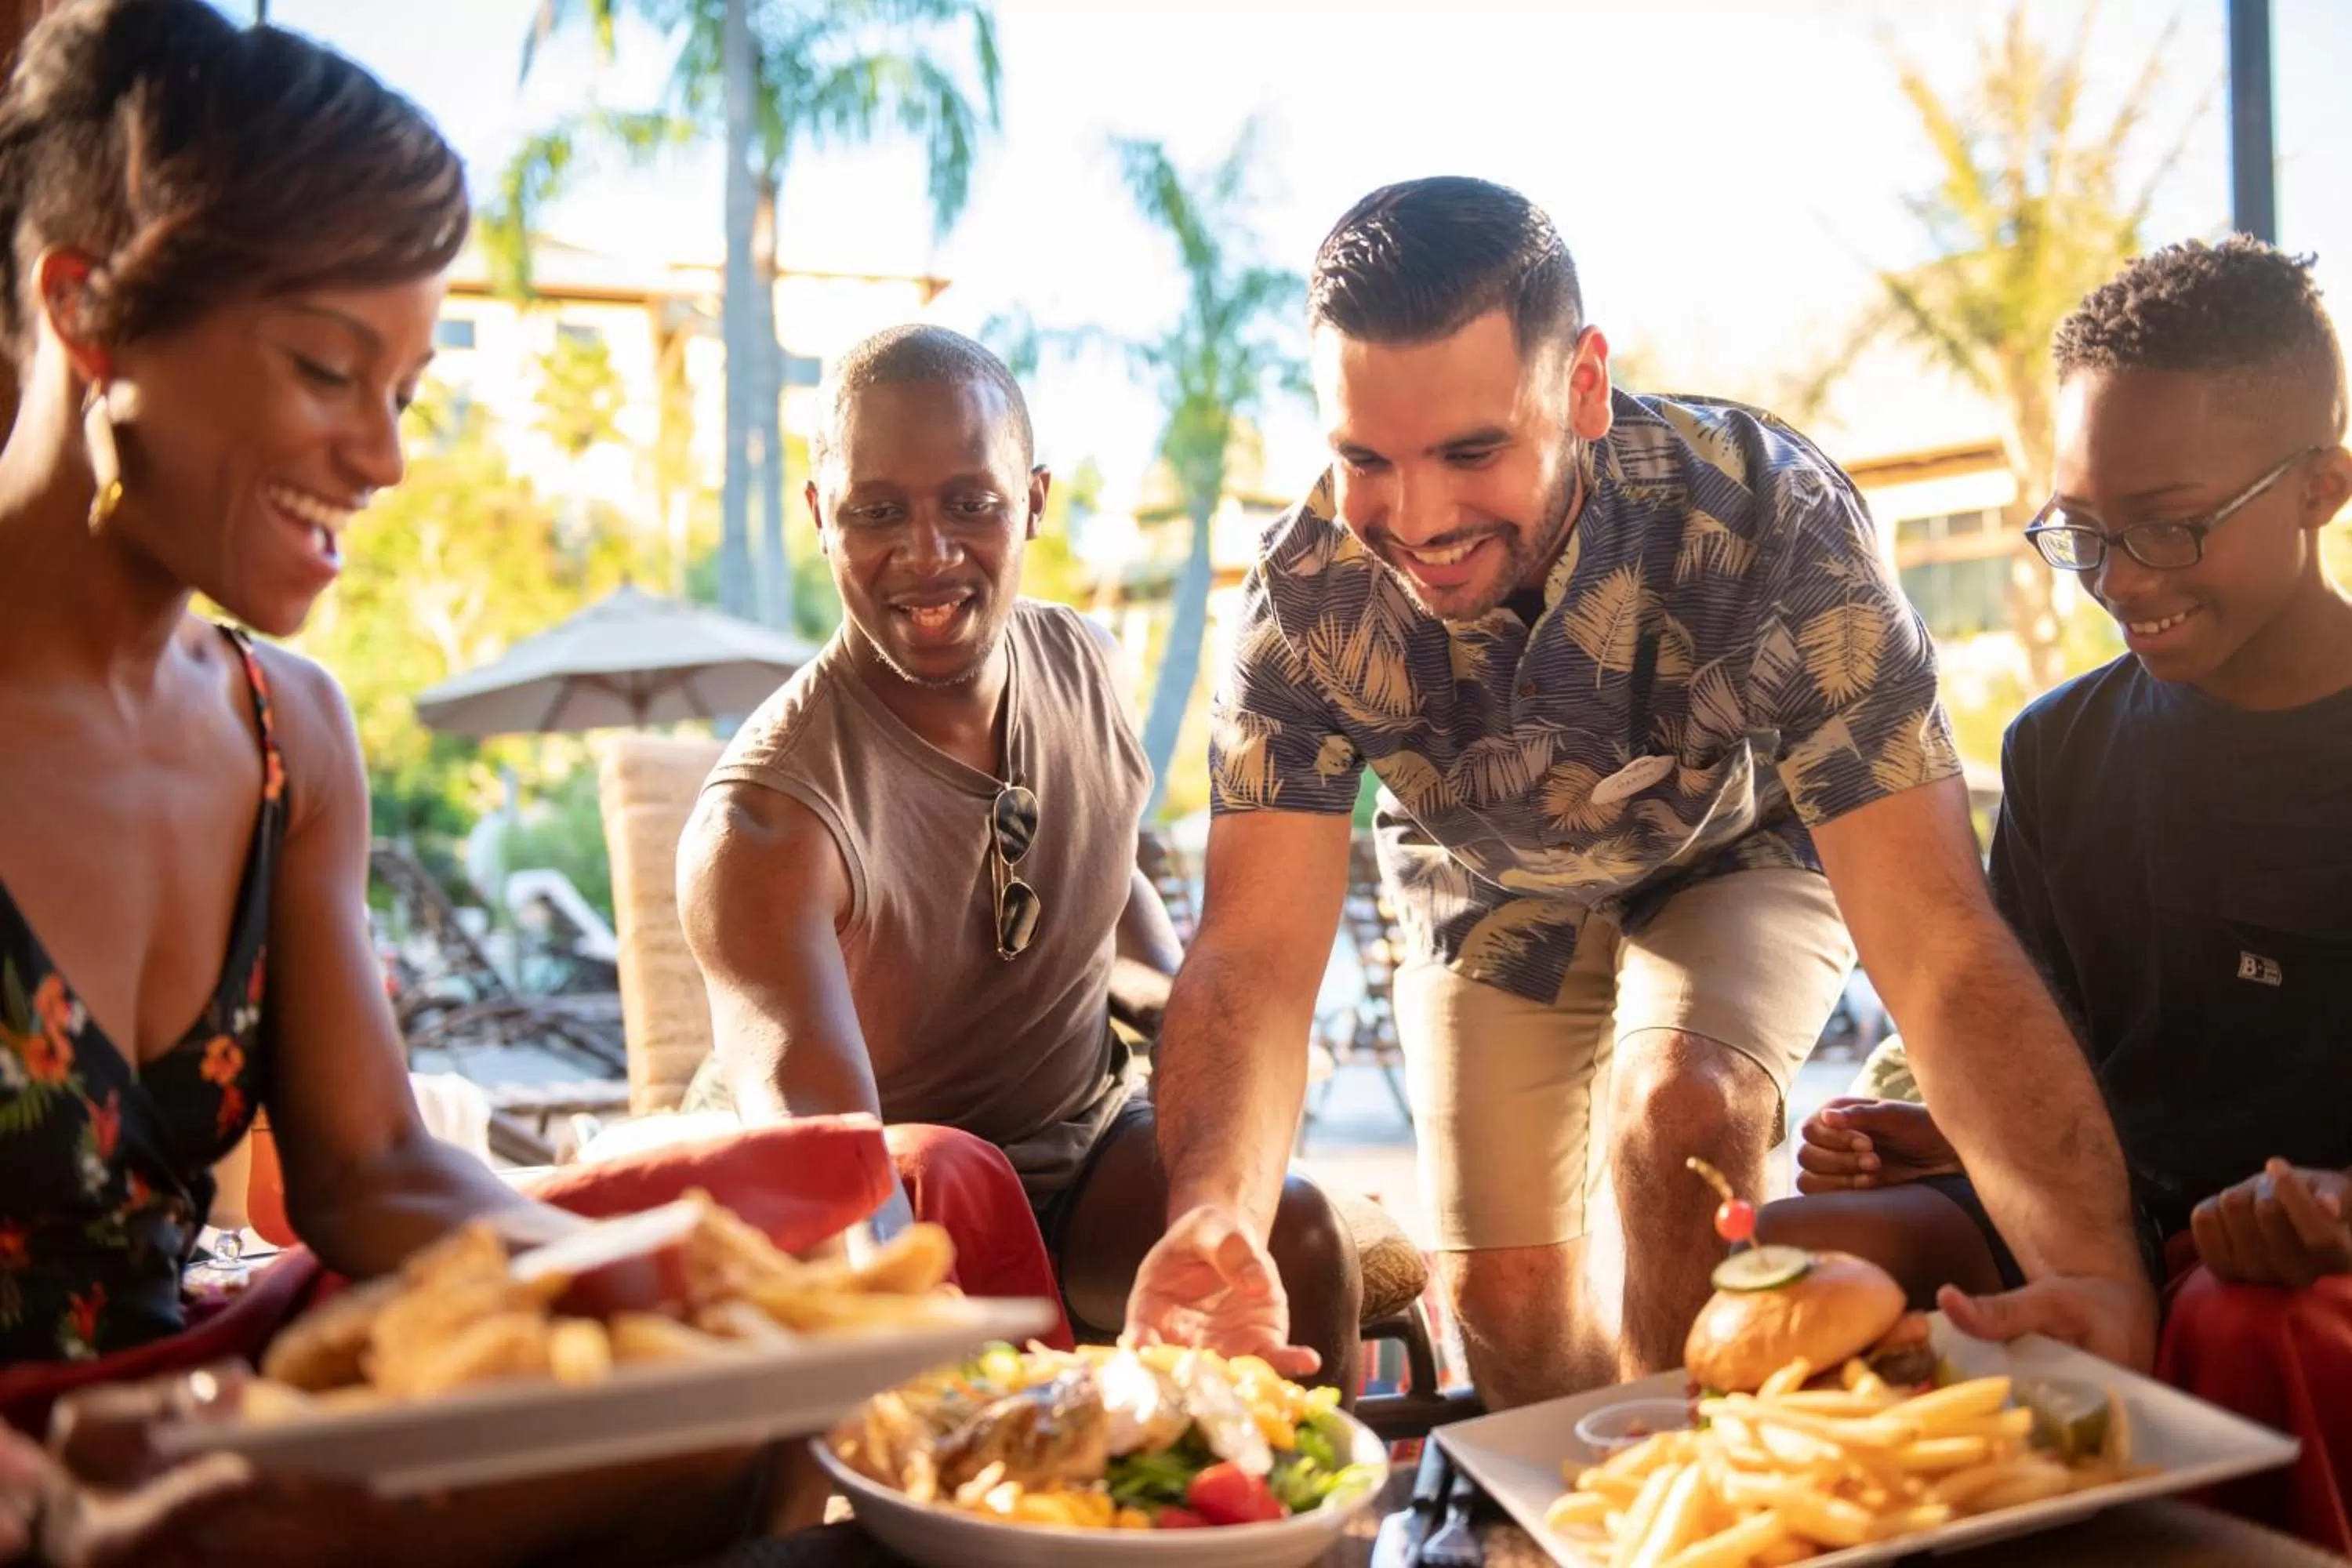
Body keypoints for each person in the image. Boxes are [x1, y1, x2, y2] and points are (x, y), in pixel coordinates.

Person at [1122, 175, 2154, 1410]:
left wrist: (2096, 1275)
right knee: (1504, 1303)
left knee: (1681, 1111)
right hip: (1480, 878)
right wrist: (1211, 1217)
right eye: (1366, 461)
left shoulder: (1774, 517)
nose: (1419, 517)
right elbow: (1251, 960)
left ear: (1585, 387)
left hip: (1733, 845)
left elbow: (1936, 939)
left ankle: (1693, 1508)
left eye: (1473, 450)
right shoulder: (1305, 601)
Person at [0, 3, 801, 1560]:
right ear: (88, 313)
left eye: (410, 391)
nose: (385, 458)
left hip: (179, 1447)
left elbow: (367, 1170)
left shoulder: (286, 735)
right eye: (327, 368)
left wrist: (653, 1273)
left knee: (727, 1424)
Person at [1762, 236, 2352, 1551]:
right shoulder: (2060, 749)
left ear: (2321, 488)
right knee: (1803, 1254)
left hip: (2289, 1275)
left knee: (2239, 1311)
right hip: (2118, 1224)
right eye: (2081, 530)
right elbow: (2063, 1052)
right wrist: (1960, 1132)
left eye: (2168, 525)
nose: (2119, 577)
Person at [675, 324, 1364, 1392]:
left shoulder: (1082, 662)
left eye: (970, 503)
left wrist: (1209, 1056)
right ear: (822, 518)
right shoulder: (766, 825)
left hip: (1083, 1149)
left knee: (1297, 1239)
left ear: (1034, 501)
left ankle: (1283, 1538)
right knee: (942, 1244)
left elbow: (1116, 886)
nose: (928, 553)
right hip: (912, 1200)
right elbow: (827, 1169)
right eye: (877, 512)